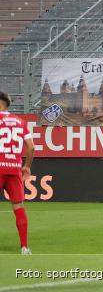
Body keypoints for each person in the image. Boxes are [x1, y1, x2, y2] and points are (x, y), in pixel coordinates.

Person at [0, 91, 33, 256]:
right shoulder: (21, 122)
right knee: (19, 207)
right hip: (14, 168)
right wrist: (26, 166)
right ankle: (24, 247)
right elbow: (31, 147)